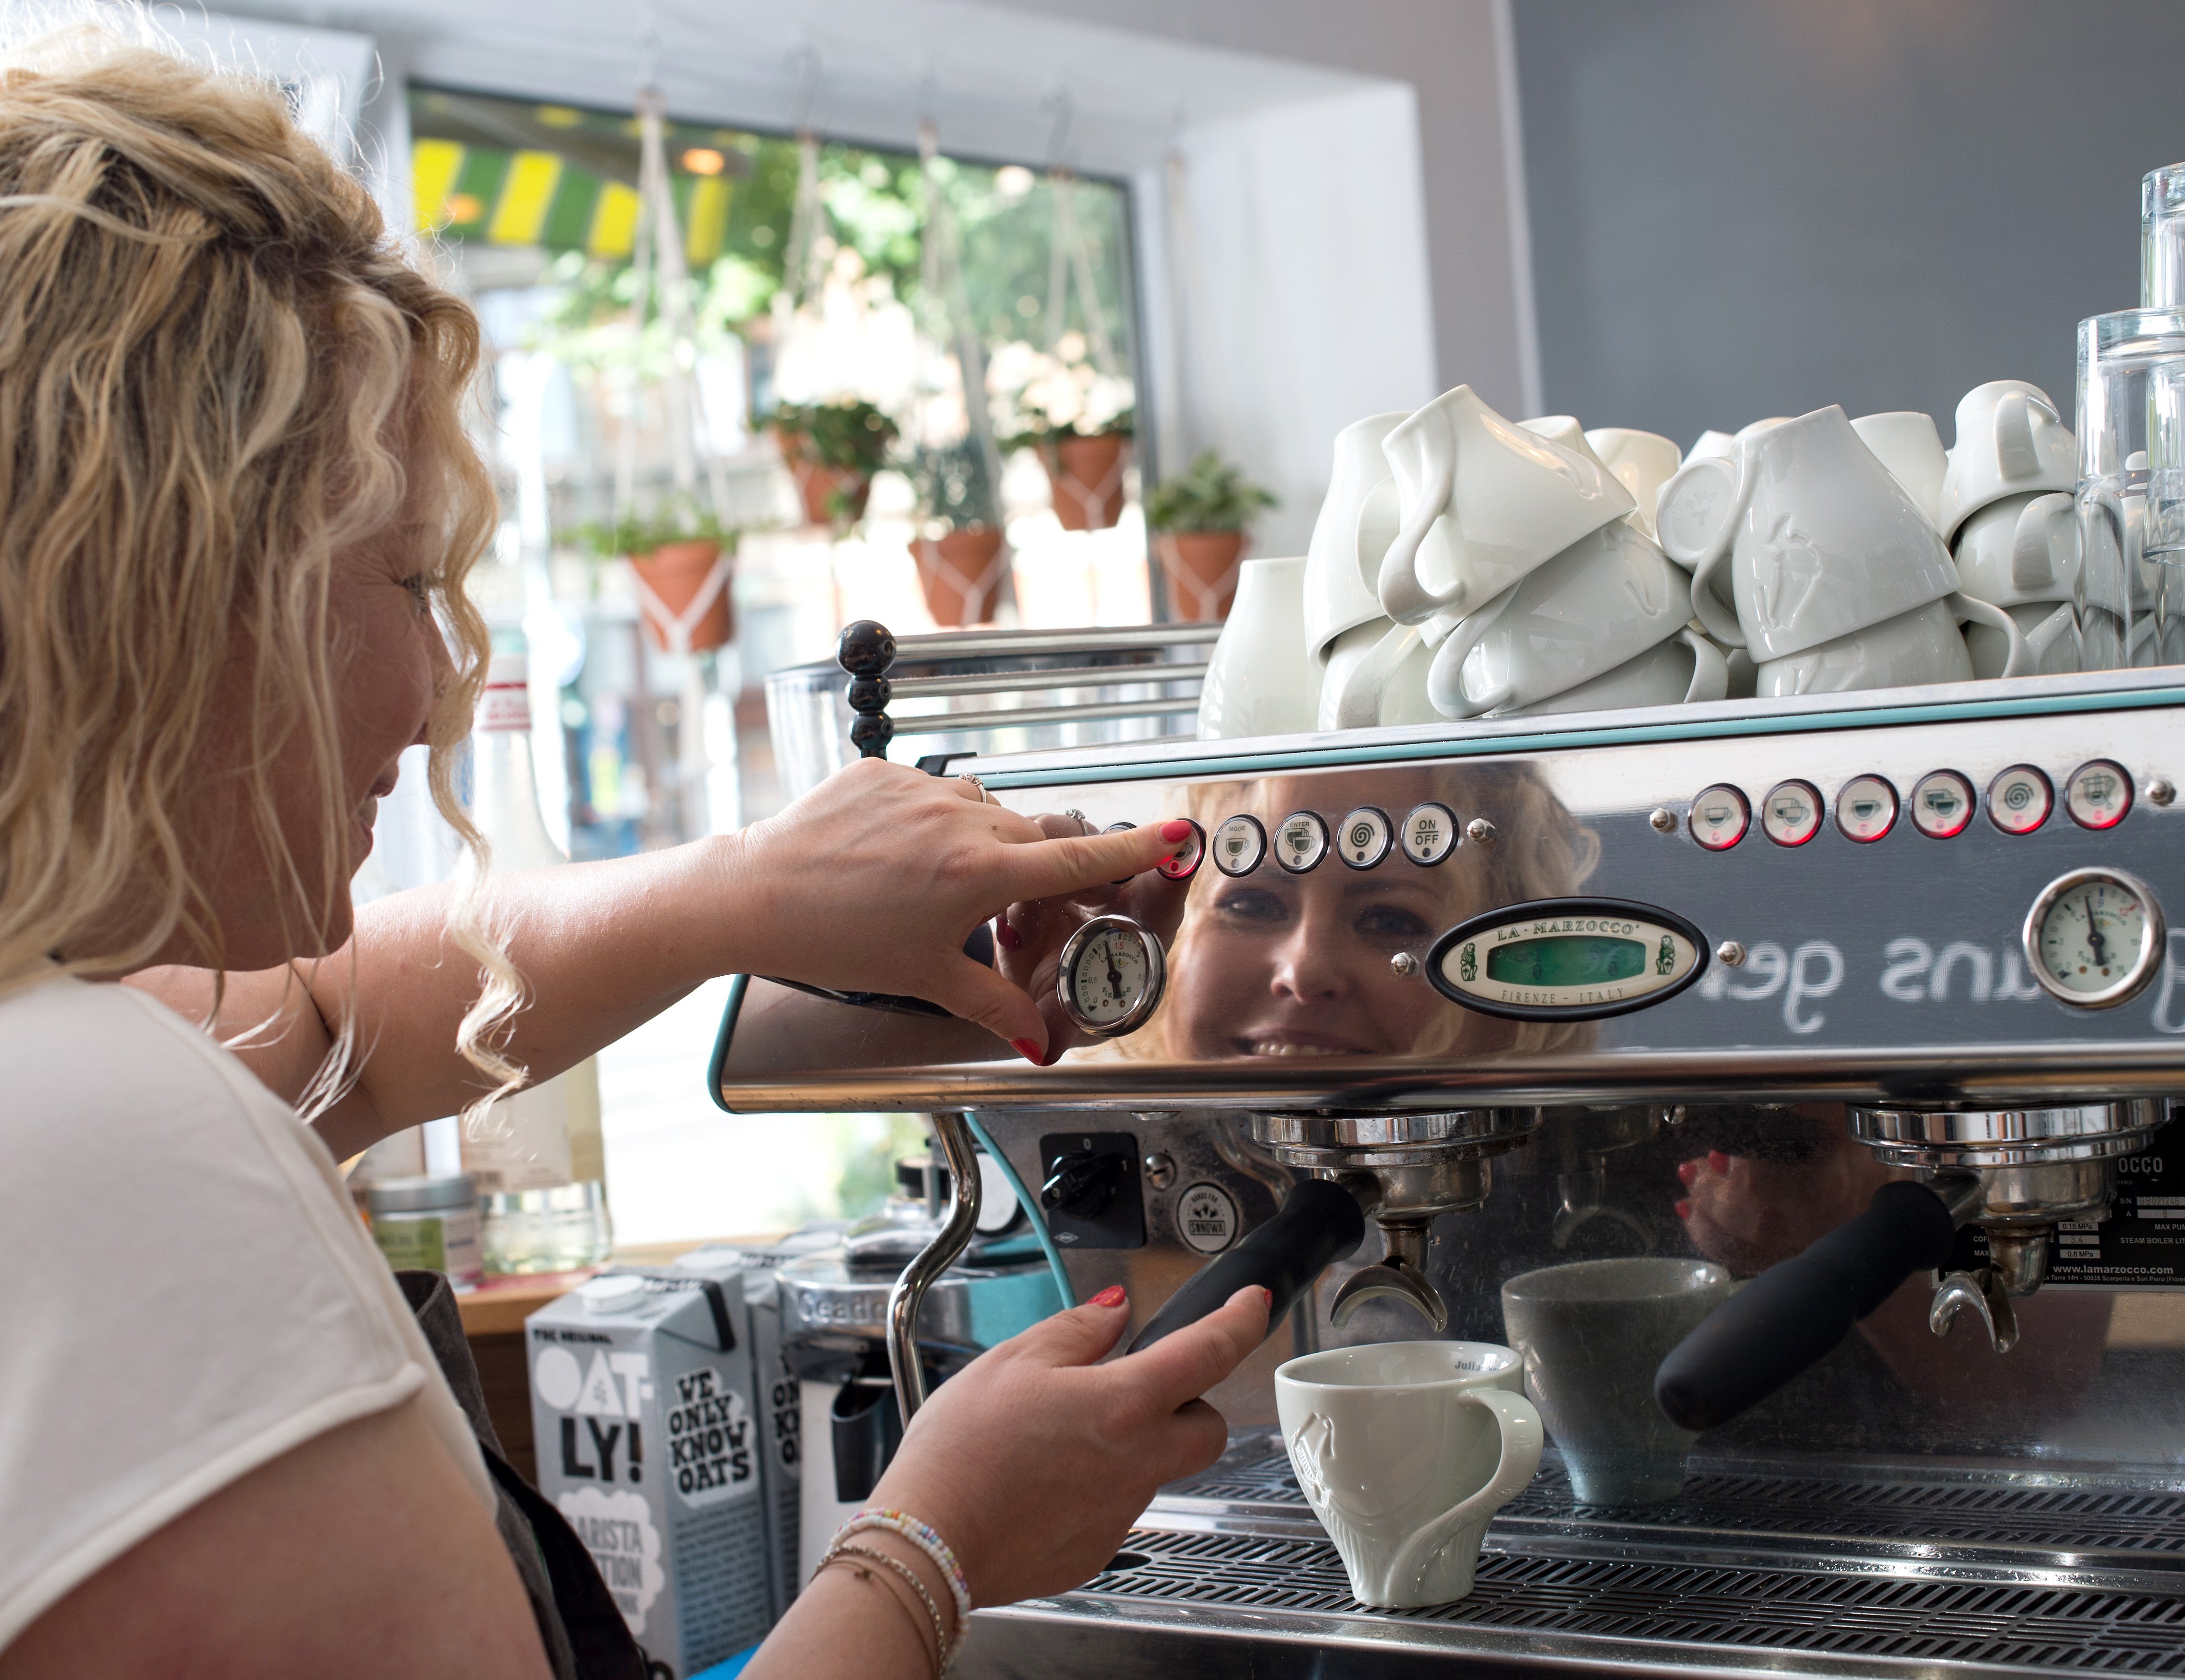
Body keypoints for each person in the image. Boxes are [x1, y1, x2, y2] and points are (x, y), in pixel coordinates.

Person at [0, 30, 1267, 1680]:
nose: (449, 681)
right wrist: (930, 1545)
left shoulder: (61, 1049)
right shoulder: (103, 1139)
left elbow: (330, 1031)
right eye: (401, 583)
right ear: (168, 586)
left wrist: (747, 892)